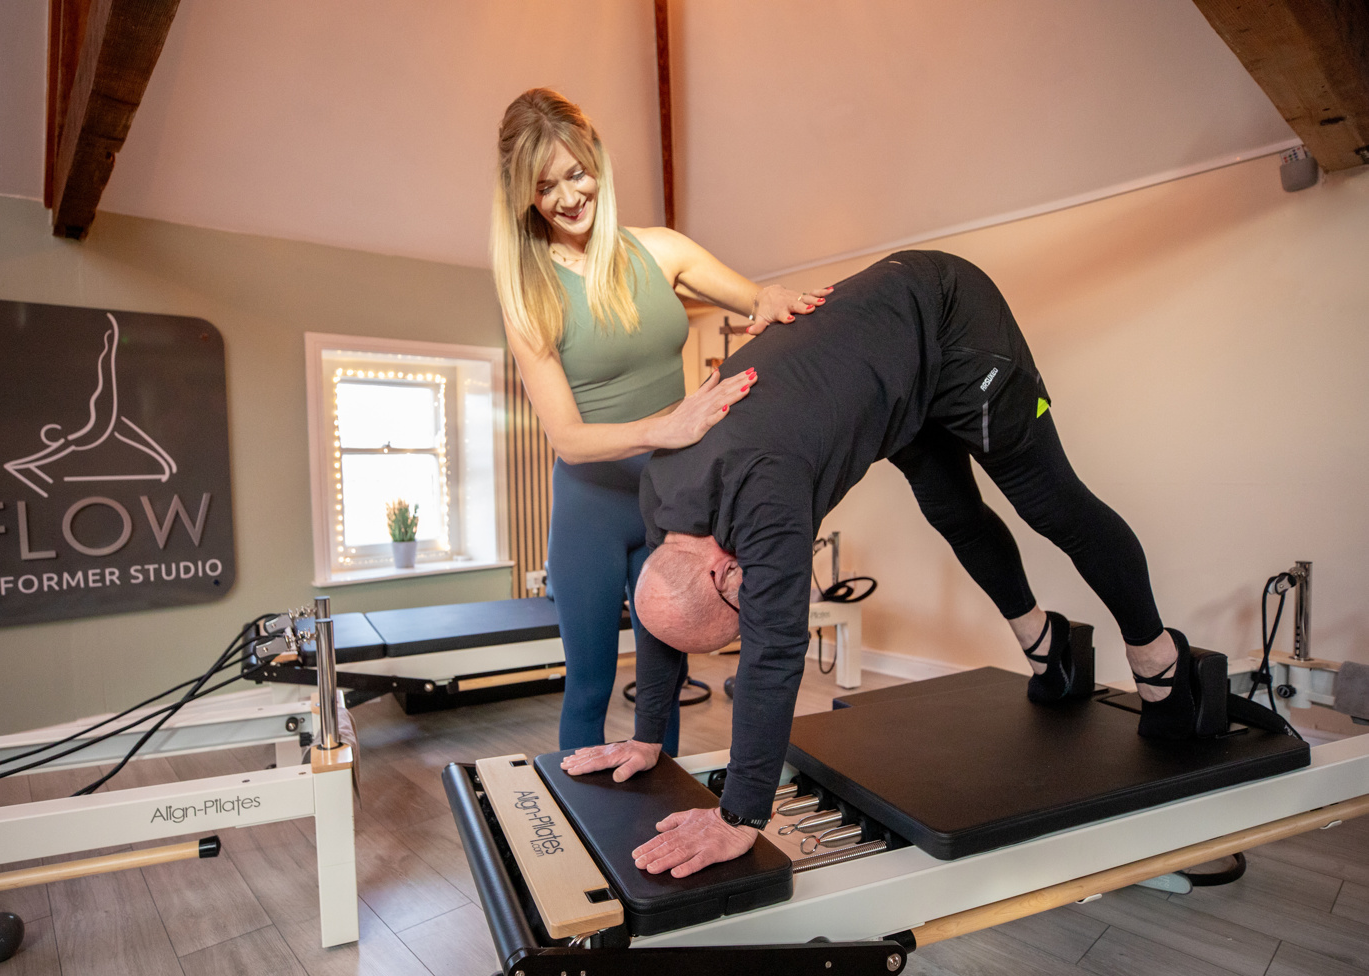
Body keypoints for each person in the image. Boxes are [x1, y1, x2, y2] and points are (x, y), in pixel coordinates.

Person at [561, 249, 1219, 878]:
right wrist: (648, 736)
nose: (751, 594)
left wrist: (741, 812)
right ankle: (1046, 643)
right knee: (952, 510)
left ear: (725, 577)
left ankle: (1158, 657)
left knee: (1051, 503)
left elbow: (775, 647)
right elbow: (661, 607)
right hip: (896, 359)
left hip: (952, 319)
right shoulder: (663, 493)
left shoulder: (765, 497)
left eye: (741, 602)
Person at [491, 88, 831, 755]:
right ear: (524, 195)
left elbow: (756, 296)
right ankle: (580, 840)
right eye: (545, 186)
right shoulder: (527, 291)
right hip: (591, 509)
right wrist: (665, 426)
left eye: (575, 173)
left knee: (662, 681)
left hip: (672, 505)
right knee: (589, 686)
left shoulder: (661, 251)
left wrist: (776, 299)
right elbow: (566, 437)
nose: (567, 196)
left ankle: (662, 816)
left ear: (597, 162)